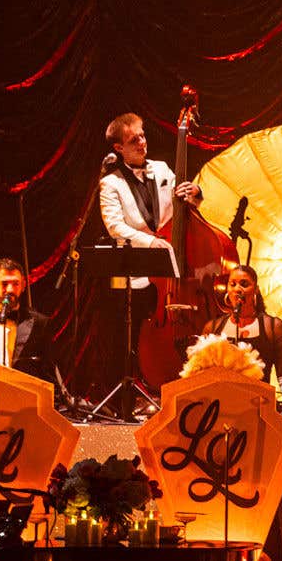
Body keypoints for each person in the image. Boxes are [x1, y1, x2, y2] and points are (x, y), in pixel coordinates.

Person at [93, 112, 204, 402]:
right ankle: (137, 394)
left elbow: (188, 204)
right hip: (138, 273)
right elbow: (115, 226)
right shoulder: (110, 184)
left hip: (173, 266)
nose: (142, 142)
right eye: (133, 140)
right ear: (118, 148)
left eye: (142, 135)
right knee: (133, 335)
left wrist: (195, 193)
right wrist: (150, 242)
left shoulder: (164, 169)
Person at [204, 263, 282, 433]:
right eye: (232, 284)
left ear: (255, 289)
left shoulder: (273, 327)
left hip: (258, 415)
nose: (237, 289)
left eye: (244, 284)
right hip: (218, 416)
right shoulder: (212, 328)